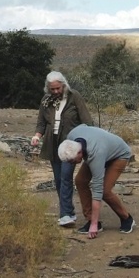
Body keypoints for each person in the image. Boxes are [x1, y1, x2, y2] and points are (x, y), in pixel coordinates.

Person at [30, 71, 93, 227]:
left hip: (71, 143)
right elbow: (41, 123)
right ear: (48, 88)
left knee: (65, 177)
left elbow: (87, 120)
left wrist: (89, 141)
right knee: (58, 179)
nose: (56, 92)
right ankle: (67, 211)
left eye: (58, 88)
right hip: (53, 144)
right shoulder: (46, 101)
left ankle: (66, 215)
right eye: (53, 89)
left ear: (64, 85)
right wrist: (37, 136)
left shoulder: (74, 97)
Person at [57, 124, 135, 238]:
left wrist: (93, 225)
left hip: (119, 155)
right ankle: (92, 220)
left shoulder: (95, 153)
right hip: (100, 149)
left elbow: (97, 189)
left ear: (79, 153)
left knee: (104, 190)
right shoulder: (72, 136)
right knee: (80, 181)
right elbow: (84, 126)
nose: (71, 164)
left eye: (72, 161)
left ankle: (127, 219)